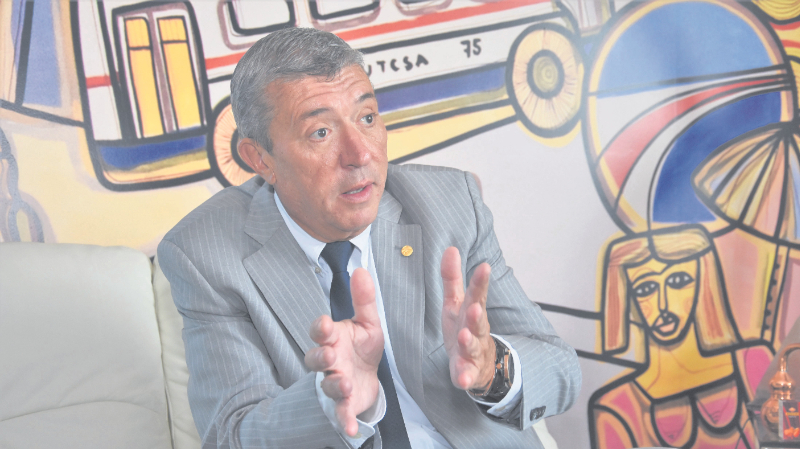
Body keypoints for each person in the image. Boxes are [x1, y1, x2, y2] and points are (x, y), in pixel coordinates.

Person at [158, 27, 580, 449]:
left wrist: (492, 370)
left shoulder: (449, 204)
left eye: (367, 118)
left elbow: (560, 370)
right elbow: (232, 434)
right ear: (260, 159)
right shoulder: (206, 254)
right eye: (320, 132)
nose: (360, 154)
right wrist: (331, 401)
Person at [589, 225, 758, 449]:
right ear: (625, 298)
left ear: (703, 281)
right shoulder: (614, 407)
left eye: (678, 281)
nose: (663, 305)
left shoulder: (751, 360)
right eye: (646, 288)